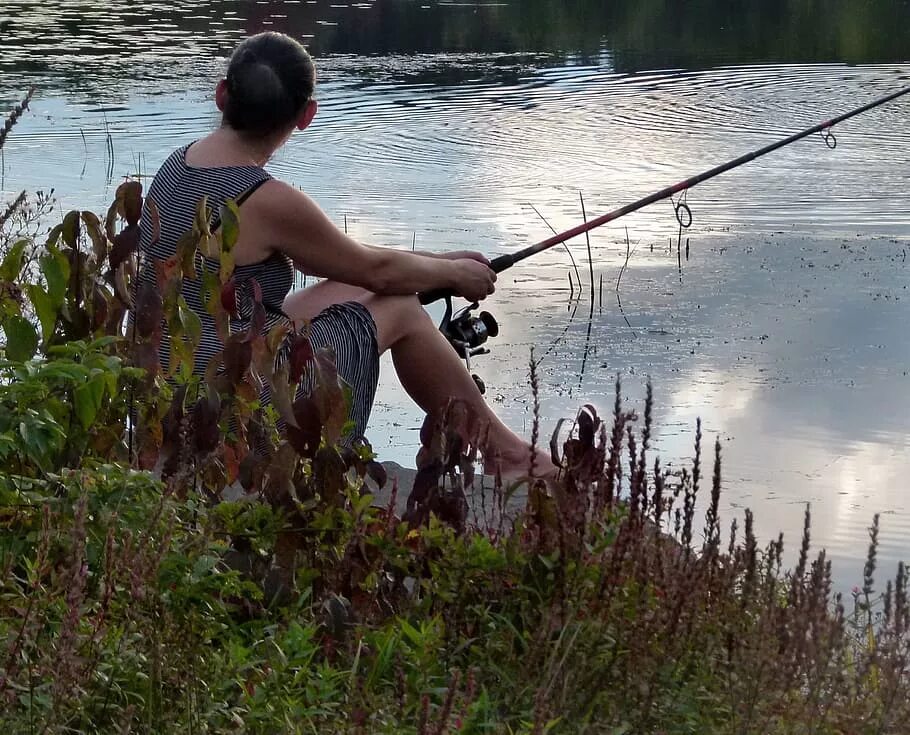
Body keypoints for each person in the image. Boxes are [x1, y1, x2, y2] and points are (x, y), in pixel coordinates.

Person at [136, 31, 552, 480]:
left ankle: (499, 451)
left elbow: (353, 268)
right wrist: (448, 272)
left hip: (174, 391)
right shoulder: (267, 198)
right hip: (231, 408)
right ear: (306, 116)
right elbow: (377, 272)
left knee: (352, 287)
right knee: (399, 307)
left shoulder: (178, 164)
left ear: (221, 95)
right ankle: (507, 455)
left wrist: (439, 266)